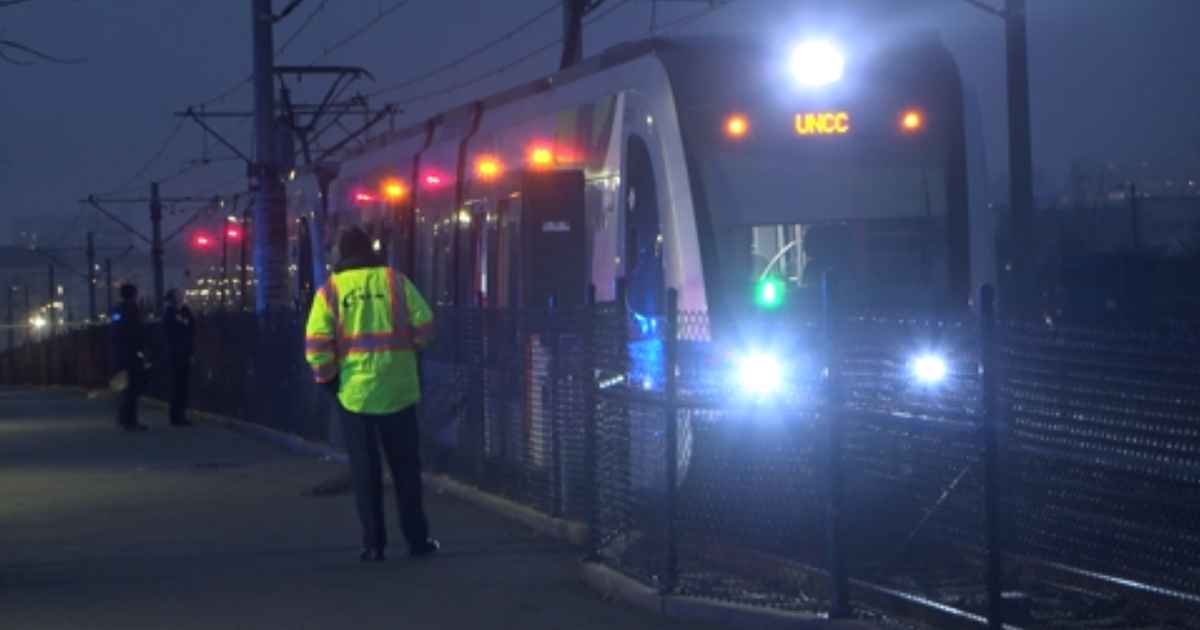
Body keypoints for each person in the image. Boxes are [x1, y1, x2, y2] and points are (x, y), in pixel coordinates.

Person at [305, 226, 440, 562]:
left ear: (341, 255)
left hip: (355, 395)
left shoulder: (331, 292)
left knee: (366, 474)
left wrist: (329, 381)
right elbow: (425, 326)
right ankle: (417, 541)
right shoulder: (396, 282)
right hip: (399, 390)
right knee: (406, 471)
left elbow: (317, 343)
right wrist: (410, 349)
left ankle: (374, 544)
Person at [111, 282, 149, 432]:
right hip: (132, 354)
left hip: (119, 353)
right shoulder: (133, 311)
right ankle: (130, 421)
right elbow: (138, 332)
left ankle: (123, 417)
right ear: (134, 294)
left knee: (125, 386)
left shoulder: (117, 310)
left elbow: (116, 332)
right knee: (133, 387)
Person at [162, 288, 195, 427]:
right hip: (178, 352)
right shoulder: (171, 315)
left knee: (180, 385)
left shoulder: (173, 314)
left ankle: (178, 414)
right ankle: (177, 415)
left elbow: (190, 325)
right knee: (179, 385)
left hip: (179, 352)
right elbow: (188, 326)